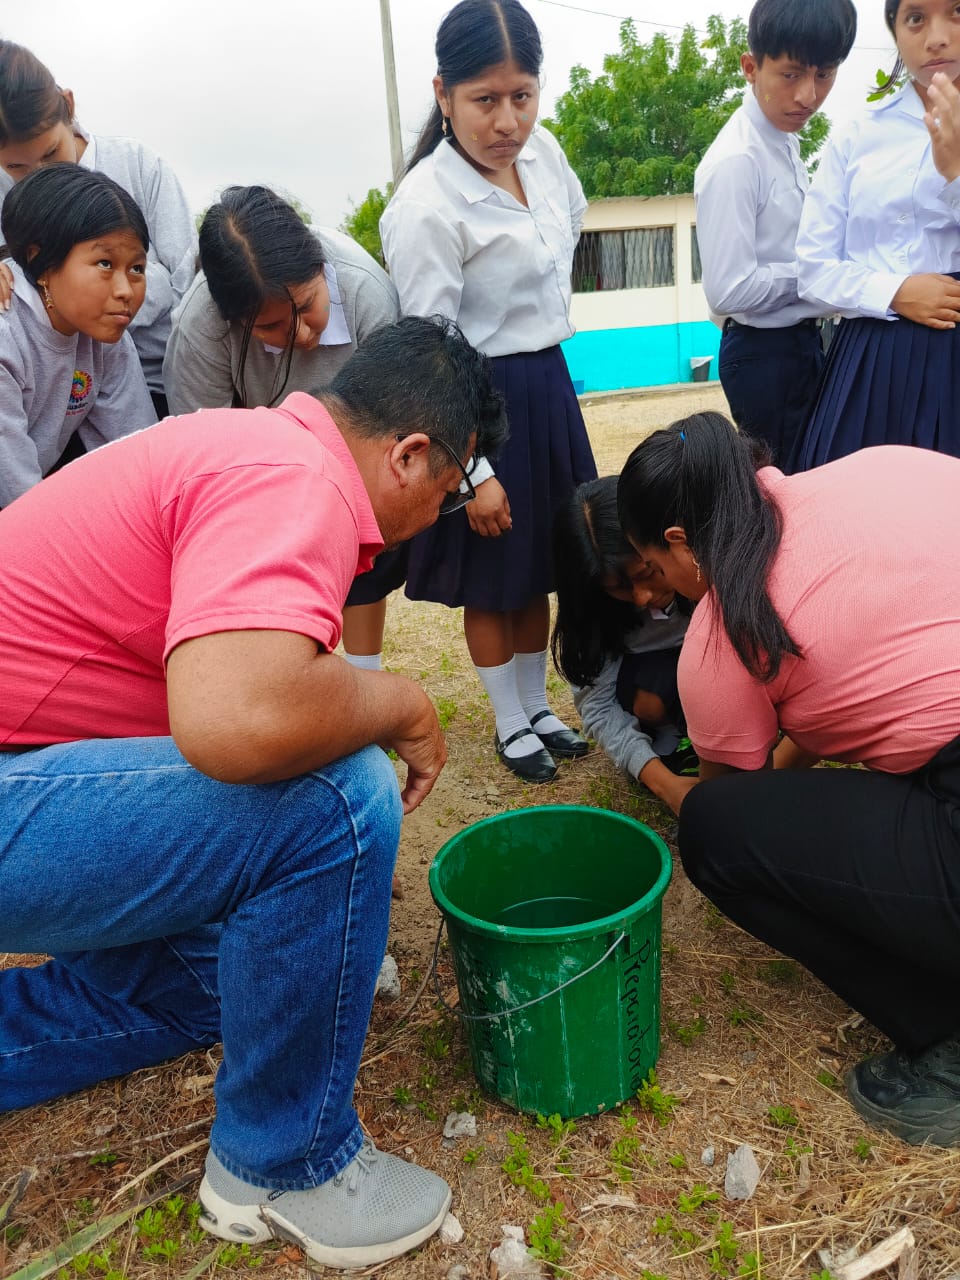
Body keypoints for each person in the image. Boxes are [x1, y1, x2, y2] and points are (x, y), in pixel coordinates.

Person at [0, 315, 508, 1265]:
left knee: (219, 986)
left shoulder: (256, 448)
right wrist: (400, 704)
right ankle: (284, 1166)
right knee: (336, 797)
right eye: (445, 496)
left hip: (27, 781)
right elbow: (237, 718)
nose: (433, 519)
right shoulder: (296, 478)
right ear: (409, 455)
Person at [617, 411, 960, 1148]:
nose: (661, 591)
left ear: (679, 541)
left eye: (655, 567)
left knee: (711, 832)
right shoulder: (880, 465)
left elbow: (735, 803)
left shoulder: (722, 633)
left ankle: (948, 1040)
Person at [380, 0, 597, 785]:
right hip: (476, 399)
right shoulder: (425, 205)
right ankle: (508, 721)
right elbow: (432, 347)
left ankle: (539, 707)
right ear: (443, 94)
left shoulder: (546, 157)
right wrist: (471, 470)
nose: (508, 121)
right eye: (484, 100)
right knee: (493, 574)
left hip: (548, 384)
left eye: (522, 96)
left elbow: (571, 223)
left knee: (542, 562)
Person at [164, 184, 405, 669]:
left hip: (351, 447)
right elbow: (204, 451)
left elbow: (386, 420)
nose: (301, 333)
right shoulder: (199, 327)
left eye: (308, 304)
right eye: (270, 326)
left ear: (321, 270)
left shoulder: (365, 292)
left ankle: (363, 674)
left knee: (361, 564)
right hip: (249, 461)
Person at [793, 0, 960, 468]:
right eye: (915, 18)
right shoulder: (857, 136)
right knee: (863, 501)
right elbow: (813, 268)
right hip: (870, 361)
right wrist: (894, 291)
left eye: (957, 11)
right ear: (895, 30)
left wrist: (956, 173)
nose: (936, 38)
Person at [694, 0, 856, 467]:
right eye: (791, 75)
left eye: (824, 75)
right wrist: (819, 276)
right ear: (751, 67)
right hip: (765, 355)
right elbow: (729, 289)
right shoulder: (737, 159)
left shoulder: (783, 141)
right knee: (785, 488)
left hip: (798, 345)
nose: (808, 95)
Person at [0, 39, 196, 415]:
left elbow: (185, 279)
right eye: (15, 168)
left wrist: (96, 306)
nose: (38, 177)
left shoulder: (137, 165)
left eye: (51, 153)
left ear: (69, 106)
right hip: (46, 389)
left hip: (158, 377)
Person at [0, 164, 155, 508]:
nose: (125, 290)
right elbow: (19, 498)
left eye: (136, 268)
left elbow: (139, 454)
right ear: (41, 261)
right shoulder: (6, 333)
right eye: (104, 264)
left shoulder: (105, 334)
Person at [551, 477, 694, 814]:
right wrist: (665, 785)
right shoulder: (595, 612)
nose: (641, 597)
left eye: (647, 573)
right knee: (650, 695)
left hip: (721, 677)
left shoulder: (708, 568)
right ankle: (671, 743)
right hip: (659, 684)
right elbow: (599, 707)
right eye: (619, 587)